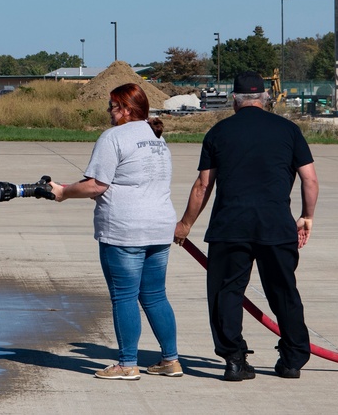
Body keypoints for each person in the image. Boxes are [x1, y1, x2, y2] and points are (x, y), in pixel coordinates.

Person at [175, 71, 318, 381]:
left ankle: (234, 360)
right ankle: (293, 360)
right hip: (276, 227)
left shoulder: (218, 132)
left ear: (234, 100)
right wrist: (307, 217)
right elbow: (310, 178)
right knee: (283, 292)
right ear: (265, 98)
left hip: (230, 227)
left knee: (226, 293)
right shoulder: (289, 130)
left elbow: (203, 184)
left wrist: (185, 224)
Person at [50, 83, 181, 380]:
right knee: (155, 296)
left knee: (124, 296)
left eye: (111, 106)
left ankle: (126, 363)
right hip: (160, 228)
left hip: (125, 230)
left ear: (124, 108)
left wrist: (63, 192)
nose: (109, 112)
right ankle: (170, 360)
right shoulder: (156, 137)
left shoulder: (113, 137)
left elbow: (97, 184)